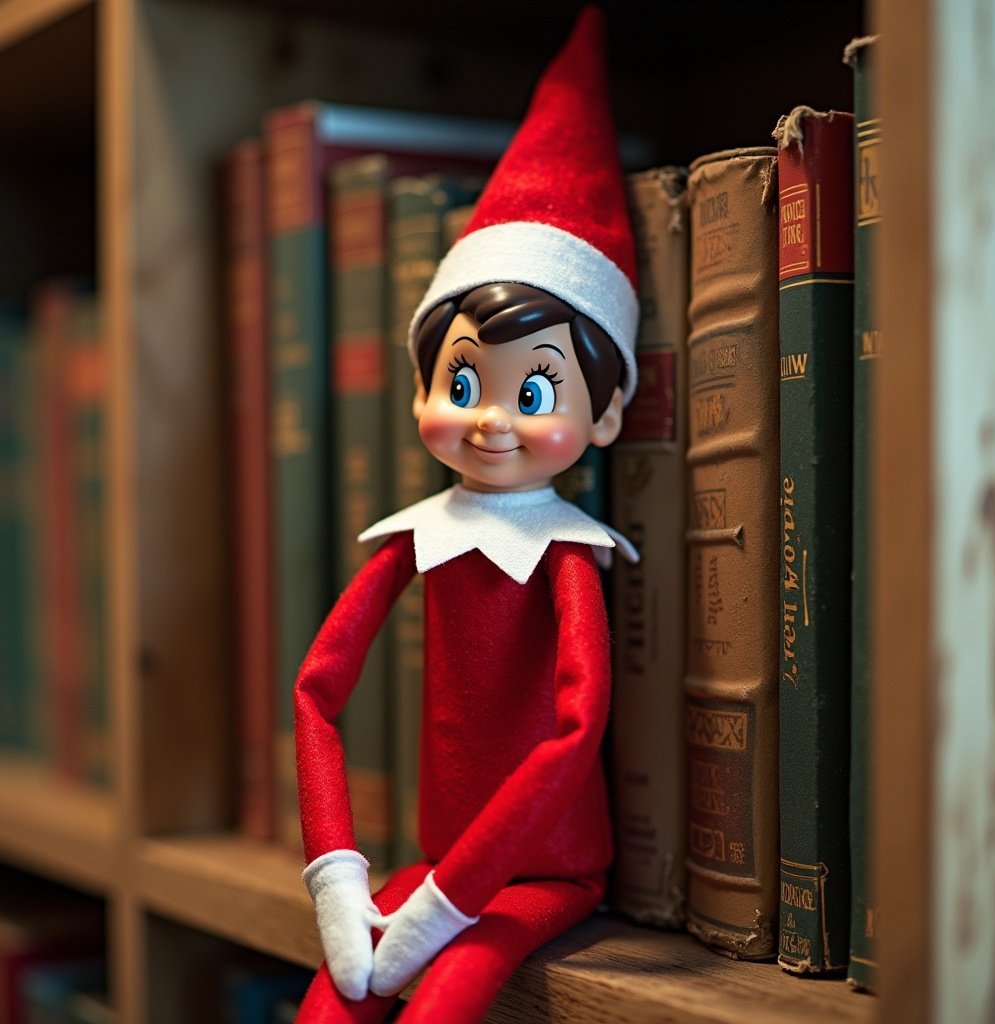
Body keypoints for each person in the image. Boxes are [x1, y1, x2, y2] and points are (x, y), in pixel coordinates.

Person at [292, 8, 640, 1022]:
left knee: (443, 999)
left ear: (605, 412)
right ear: (418, 387)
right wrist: (338, 872)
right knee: (333, 996)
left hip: (546, 869)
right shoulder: (421, 538)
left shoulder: (567, 556)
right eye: (460, 381)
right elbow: (317, 690)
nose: (489, 419)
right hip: (432, 857)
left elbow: (575, 731)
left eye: (532, 393)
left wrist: (444, 902)